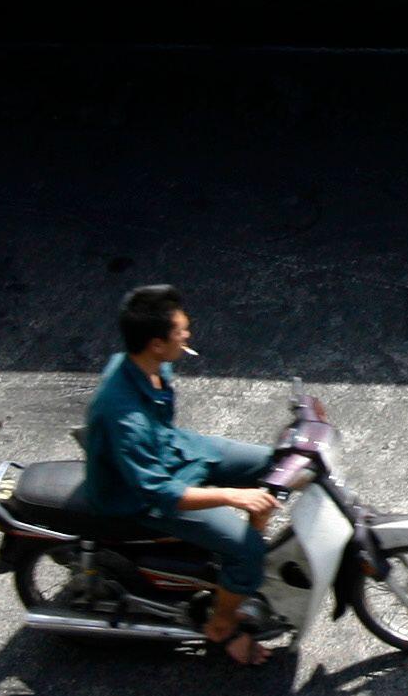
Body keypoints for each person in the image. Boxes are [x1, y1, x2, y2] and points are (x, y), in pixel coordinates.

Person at [82, 285, 279, 665]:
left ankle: (243, 569)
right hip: (142, 495)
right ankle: (222, 625)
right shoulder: (126, 417)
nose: (187, 335)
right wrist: (232, 496)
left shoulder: (150, 365)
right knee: (249, 549)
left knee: (276, 463)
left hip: (176, 451)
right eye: (180, 332)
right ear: (156, 343)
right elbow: (160, 492)